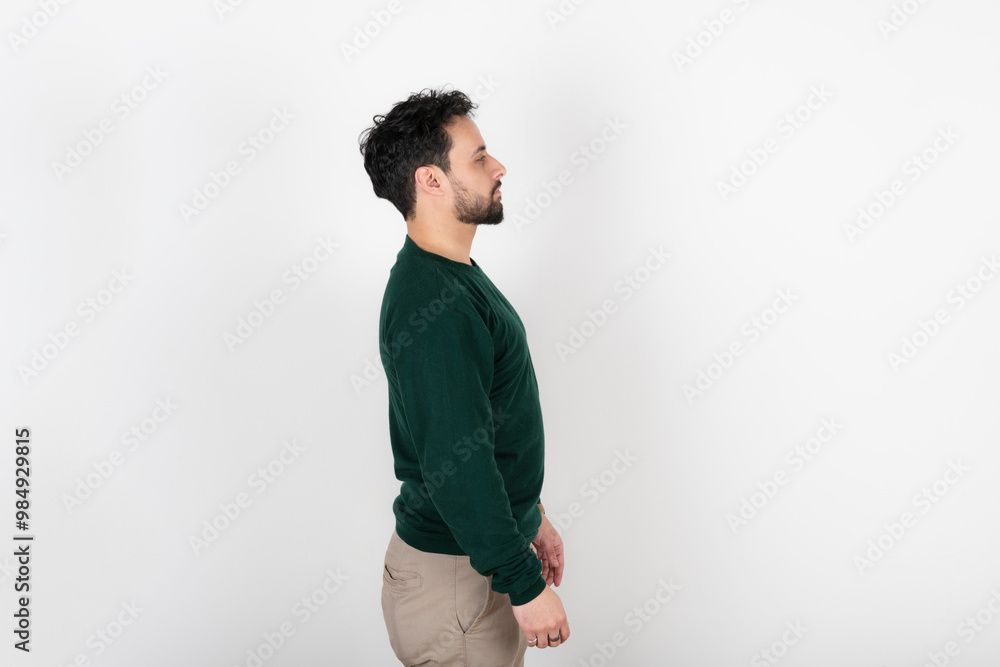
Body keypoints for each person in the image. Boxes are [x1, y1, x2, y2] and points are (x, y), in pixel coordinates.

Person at [359, 87, 570, 665]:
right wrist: (524, 585)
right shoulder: (436, 303)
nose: (499, 167)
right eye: (479, 158)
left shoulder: (452, 278)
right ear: (430, 180)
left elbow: (489, 425)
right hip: (456, 582)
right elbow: (458, 463)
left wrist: (535, 518)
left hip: (471, 567)